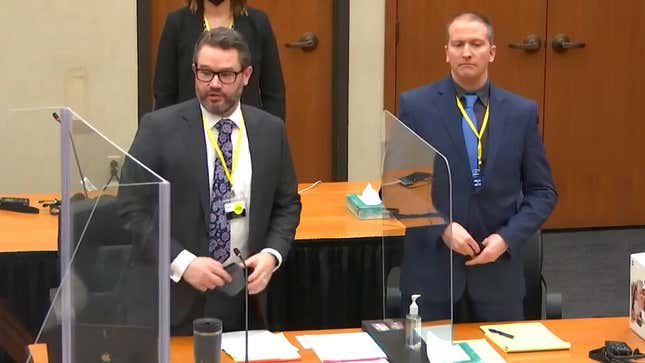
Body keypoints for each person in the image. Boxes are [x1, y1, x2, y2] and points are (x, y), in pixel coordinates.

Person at [121, 27, 300, 334]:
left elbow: (287, 205)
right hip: (174, 299)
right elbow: (131, 210)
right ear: (194, 71)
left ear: (246, 75)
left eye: (226, 75)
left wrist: (272, 255)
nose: (214, 84)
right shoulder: (158, 128)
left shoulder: (271, 131)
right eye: (205, 73)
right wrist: (183, 262)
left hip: (245, 298)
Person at [397, 12, 557, 322]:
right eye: (458, 44)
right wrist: (441, 228)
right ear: (447, 52)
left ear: (492, 52)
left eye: (476, 44)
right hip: (432, 276)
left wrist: (506, 238)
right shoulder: (416, 107)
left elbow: (543, 192)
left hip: (498, 276)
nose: (466, 52)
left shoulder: (521, 113)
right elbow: (396, 189)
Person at [154, 0, 285, 120]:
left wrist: (268, 136)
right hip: (189, 130)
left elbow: (273, 92)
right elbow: (164, 92)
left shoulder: (258, 22)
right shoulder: (177, 23)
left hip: (245, 129)